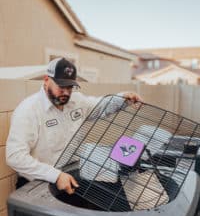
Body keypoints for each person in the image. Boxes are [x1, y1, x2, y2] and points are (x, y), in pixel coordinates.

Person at [6, 57, 143, 195]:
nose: (66, 92)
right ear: (47, 80)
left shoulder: (76, 101)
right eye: (61, 86)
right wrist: (55, 176)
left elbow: (100, 105)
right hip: (37, 183)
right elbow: (15, 157)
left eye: (70, 87)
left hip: (70, 175)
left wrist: (122, 98)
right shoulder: (28, 110)